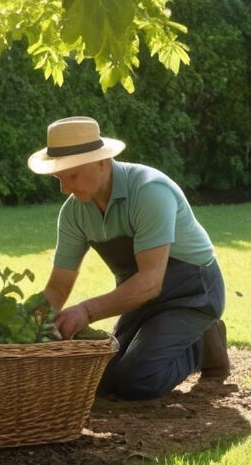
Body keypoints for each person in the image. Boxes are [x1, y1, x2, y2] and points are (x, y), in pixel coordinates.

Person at [28, 115, 229, 400]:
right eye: (58, 179)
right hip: (138, 296)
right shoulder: (73, 213)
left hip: (191, 293)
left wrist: (85, 311)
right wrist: (23, 326)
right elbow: (58, 288)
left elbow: (150, 282)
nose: (64, 189)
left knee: (139, 380)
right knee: (101, 379)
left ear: (101, 162)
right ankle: (175, 336)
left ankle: (204, 341)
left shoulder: (149, 191)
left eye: (71, 175)